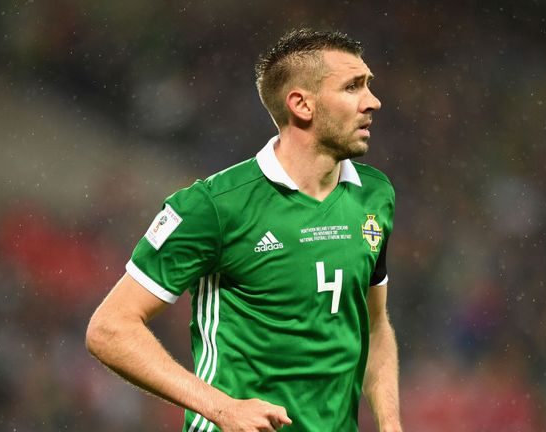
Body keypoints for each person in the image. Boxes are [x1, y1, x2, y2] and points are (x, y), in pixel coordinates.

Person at [86, 28, 402, 432]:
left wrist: (391, 424)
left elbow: (374, 326)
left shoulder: (375, 195)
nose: (372, 101)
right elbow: (110, 328)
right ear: (301, 104)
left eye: (368, 85)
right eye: (353, 86)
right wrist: (222, 409)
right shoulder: (214, 207)